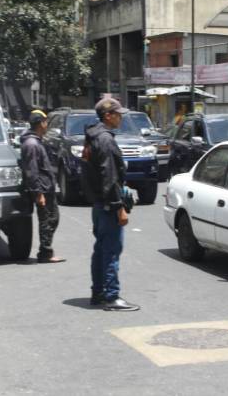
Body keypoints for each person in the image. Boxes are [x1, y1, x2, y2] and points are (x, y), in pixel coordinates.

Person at [83, 97, 139, 311]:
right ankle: (111, 296)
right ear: (108, 116)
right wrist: (118, 207)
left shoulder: (93, 137)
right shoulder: (105, 140)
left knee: (101, 249)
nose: (121, 117)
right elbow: (109, 177)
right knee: (111, 251)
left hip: (99, 203)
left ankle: (98, 292)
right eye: (118, 114)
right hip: (107, 205)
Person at [19, 110, 66, 264]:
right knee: (47, 220)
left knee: (52, 218)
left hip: (46, 188)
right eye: (46, 122)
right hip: (42, 189)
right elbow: (31, 171)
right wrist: (38, 193)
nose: (47, 125)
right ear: (41, 123)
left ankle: (45, 250)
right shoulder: (32, 144)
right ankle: (45, 252)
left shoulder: (36, 141)